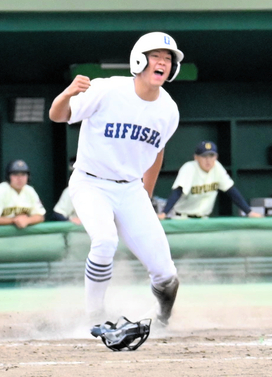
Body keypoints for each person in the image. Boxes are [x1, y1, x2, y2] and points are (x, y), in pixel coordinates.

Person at [48, 31, 183, 325]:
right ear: (139, 60)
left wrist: (146, 194)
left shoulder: (169, 110)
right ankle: (94, 317)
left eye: (168, 59)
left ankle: (161, 321)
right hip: (90, 182)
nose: (162, 63)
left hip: (131, 189)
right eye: (156, 57)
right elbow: (58, 116)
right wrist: (68, 93)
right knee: (105, 240)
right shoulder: (106, 89)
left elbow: (157, 152)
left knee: (166, 275)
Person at [158, 141, 263, 219]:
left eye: (211, 156)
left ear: (216, 157)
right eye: (204, 156)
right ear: (196, 157)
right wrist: (164, 213)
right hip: (183, 218)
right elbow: (177, 191)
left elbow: (231, 191)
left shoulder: (217, 167)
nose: (208, 160)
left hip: (204, 219)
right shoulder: (189, 168)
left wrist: (249, 212)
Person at [0, 160, 46, 228]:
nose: (19, 179)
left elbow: (40, 216)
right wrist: (14, 220)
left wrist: (27, 220)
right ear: (8, 177)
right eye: (15, 175)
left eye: (23, 175)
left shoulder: (30, 191)